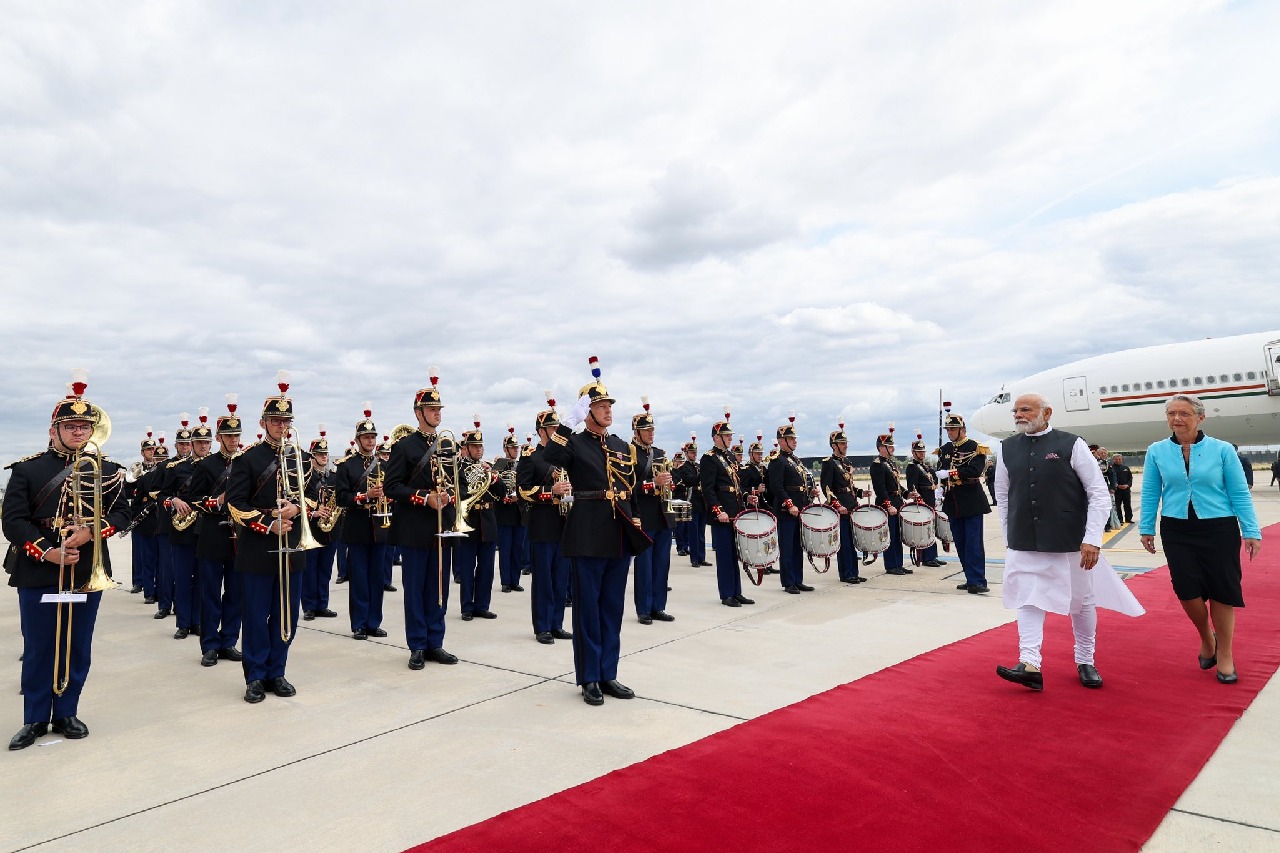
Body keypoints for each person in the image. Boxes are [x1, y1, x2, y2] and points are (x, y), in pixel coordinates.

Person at [5, 374, 131, 750]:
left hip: (86, 567)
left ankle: (67, 711)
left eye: (84, 426)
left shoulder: (107, 469)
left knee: (77, 645)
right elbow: (13, 520)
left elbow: (123, 512)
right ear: (53, 430)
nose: (78, 432)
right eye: (70, 426)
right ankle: (34, 718)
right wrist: (48, 550)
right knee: (41, 644)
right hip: (41, 566)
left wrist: (93, 532)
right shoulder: (28, 470)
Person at [994, 393, 1144, 692]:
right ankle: (1029, 663)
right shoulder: (1006, 448)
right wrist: (1009, 534)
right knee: (1027, 597)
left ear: (1046, 413)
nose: (1019, 415)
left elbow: (1098, 493)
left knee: (1081, 601)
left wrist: (1092, 539)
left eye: (1026, 410)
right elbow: (1003, 495)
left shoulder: (1071, 444)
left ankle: (1085, 659)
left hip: (1070, 540)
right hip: (1024, 539)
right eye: (1016, 411)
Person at [543, 364, 648, 706]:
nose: (608, 410)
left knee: (612, 608)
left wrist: (634, 520)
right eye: (601, 406)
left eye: (609, 406)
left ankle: (608, 673)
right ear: (587, 411)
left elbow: (628, 487)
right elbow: (550, 455)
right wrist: (566, 424)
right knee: (588, 608)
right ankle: (589, 677)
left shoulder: (619, 444)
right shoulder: (573, 442)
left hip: (617, 531)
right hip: (587, 532)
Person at [1140, 394, 1262, 684]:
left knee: (1222, 590)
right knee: (1186, 590)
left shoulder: (1221, 450)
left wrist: (1251, 530)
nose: (1177, 419)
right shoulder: (1156, 451)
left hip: (1219, 527)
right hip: (1176, 528)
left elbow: (1238, 492)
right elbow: (1150, 492)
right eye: (1171, 413)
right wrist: (1146, 527)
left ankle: (1226, 654)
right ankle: (1207, 637)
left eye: (1183, 413)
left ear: (1200, 418)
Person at [225, 375, 306, 703]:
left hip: (293, 545)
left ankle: (278, 671)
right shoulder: (248, 458)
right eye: (275, 420)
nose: (281, 425)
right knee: (257, 615)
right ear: (263, 423)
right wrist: (269, 522)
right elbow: (235, 504)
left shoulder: (299, 456)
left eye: (286, 420)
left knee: (287, 613)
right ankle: (255, 676)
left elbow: (314, 496)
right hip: (259, 547)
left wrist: (298, 506)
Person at [383, 375, 460, 670]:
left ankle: (435, 642)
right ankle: (417, 644)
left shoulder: (448, 445)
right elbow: (392, 487)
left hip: (443, 526)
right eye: (431, 409)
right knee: (415, 588)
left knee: (439, 588)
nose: (437, 413)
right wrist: (422, 497)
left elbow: (459, 483)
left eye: (439, 409)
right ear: (418, 413)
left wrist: (451, 495)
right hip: (415, 527)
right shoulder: (404, 447)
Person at [185, 399, 244, 666]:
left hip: (240, 536)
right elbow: (194, 499)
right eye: (229, 435)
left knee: (236, 592)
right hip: (212, 534)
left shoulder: (246, 463)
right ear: (219, 437)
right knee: (209, 591)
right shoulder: (206, 466)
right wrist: (218, 501)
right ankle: (209, 644)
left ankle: (229, 640)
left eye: (236, 435)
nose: (233, 440)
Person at [518, 406, 575, 644]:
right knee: (543, 578)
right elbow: (522, 490)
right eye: (552, 428)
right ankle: (542, 626)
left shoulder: (565, 456)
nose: (556, 432)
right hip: (542, 523)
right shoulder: (530, 455)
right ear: (541, 431)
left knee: (561, 576)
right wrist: (550, 491)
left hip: (564, 522)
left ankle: (556, 624)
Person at [334, 408, 389, 641]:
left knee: (377, 578)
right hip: (357, 526)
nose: (370, 441)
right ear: (357, 440)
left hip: (380, 527)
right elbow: (341, 498)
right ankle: (359, 623)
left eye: (373, 437)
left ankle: (373, 622)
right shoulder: (346, 465)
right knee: (359, 577)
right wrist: (365, 496)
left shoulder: (385, 465)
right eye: (366, 437)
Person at [700, 417, 756, 607]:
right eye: (726, 435)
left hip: (736, 512)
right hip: (723, 515)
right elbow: (708, 489)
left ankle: (736, 591)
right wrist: (718, 511)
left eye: (730, 435)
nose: (729, 438)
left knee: (735, 554)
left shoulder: (730, 457)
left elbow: (737, 484)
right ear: (716, 437)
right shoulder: (709, 458)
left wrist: (747, 496)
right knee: (724, 556)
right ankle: (726, 594)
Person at [632, 404, 680, 620]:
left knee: (661, 564)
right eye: (647, 430)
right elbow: (628, 486)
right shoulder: (629, 453)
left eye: (652, 430)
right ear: (636, 432)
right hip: (644, 515)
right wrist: (653, 483)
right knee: (644, 566)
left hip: (663, 514)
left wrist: (670, 482)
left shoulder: (660, 453)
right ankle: (643, 609)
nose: (651, 433)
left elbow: (668, 477)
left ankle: (658, 606)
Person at [454, 422, 506, 621]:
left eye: (481, 446)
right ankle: (467, 606)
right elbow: (462, 493)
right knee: (467, 567)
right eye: (475, 447)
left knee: (486, 568)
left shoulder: (487, 469)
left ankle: (482, 605)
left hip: (488, 521)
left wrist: (493, 478)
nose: (479, 450)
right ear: (466, 448)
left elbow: (501, 493)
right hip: (470, 520)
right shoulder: (459, 469)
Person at [937, 415, 990, 593]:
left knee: (973, 543)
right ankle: (970, 578)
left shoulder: (975, 447)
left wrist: (950, 474)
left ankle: (978, 581)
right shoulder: (944, 449)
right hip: (953, 502)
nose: (950, 432)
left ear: (963, 430)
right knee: (960, 542)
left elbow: (974, 470)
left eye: (953, 429)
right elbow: (941, 471)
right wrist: (940, 489)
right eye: (948, 430)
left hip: (971, 500)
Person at [768, 420, 817, 592]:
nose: (795, 441)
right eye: (791, 438)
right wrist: (789, 504)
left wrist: (810, 493)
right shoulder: (777, 461)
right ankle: (789, 582)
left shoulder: (795, 460)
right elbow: (776, 487)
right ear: (782, 441)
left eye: (795, 438)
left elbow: (800, 484)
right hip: (787, 511)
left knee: (797, 547)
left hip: (800, 509)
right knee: (787, 548)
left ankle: (798, 579)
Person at [301, 428, 341, 622]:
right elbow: (298, 501)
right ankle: (309, 606)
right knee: (310, 568)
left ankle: (322, 604)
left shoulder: (333, 477)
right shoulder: (305, 478)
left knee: (325, 568)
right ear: (313, 456)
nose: (324, 457)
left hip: (329, 528)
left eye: (325, 454)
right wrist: (314, 511)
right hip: (311, 527)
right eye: (320, 454)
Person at [821, 425, 867, 583]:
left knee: (852, 542)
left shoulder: (845, 462)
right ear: (834, 446)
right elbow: (826, 488)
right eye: (842, 443)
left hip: (851, 506)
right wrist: (836, 504)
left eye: (845, 443)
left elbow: (849, 486)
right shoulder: (829, 463)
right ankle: (846, 574)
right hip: (840, 508)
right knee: (845, 543)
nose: (845, 446)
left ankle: (854, 571)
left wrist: (861, 493)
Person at [869, 432, 909, 576]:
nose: (892, 449)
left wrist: (907, 494)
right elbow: (880, 488)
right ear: (880, 448)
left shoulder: (889, 463)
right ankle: (891, 565)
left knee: (898, 536)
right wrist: (888, 505)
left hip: (897, 502)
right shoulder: (877, 465)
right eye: (889, 446)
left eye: (892, 446)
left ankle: (899, 563)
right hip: (888, 504)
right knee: (890, 536)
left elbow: (896, 485)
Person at [492, 428, 526, 594]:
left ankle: (515, 580)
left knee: (518, 547)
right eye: (513, 448)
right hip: (504, 511)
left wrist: (519, 497)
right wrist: (503, 497)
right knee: (506, 548)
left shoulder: (522, 465)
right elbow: (493, 488)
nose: (516, 450)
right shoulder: (498, 465)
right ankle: (506, 581)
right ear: (505, 449)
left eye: (517, 447)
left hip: (518, 511)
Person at [904, 436, 945, 568]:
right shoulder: (912, 467)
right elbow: (912, 487)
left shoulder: (925, 467)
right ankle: (926, 558)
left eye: (923, 452)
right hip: (923, 501)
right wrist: (919, 500)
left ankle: (932, 556)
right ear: (913, 453)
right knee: (924, 530)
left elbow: (934, 478)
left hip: (930, 499)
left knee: (931, 529)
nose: (922, 454)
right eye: (919, 452)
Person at [1110, 454, 1134, 525]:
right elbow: (1111, 478)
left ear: (1122, 460)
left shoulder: (1126, 468)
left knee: (1127, 504)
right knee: (1117, 505)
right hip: (1117, 490)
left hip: (1126, 489)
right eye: (1116, 459)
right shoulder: (1111, 468)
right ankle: (1120, 519)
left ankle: (1128, 518)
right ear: (1113, 460)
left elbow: (1130, 478)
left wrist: (1127, 485)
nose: (1118, 460)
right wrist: (1117, 485)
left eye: (1119, 459)